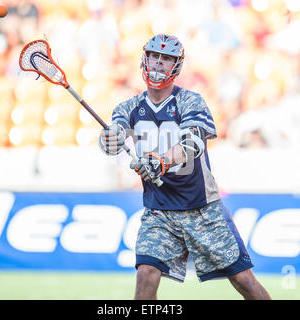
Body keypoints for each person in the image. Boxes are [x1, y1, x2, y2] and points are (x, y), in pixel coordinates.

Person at [99, 34, 271, 300]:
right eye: (154, 56)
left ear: (176, 66)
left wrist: (161, 160)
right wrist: (109, 138)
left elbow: (192, 143)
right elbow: (112, 139)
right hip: (159, 212)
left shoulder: (190, 101)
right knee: (146, 274)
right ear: (145, 59)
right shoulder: (129, 106)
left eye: (166, 59)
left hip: (202, 209)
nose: (158, 63)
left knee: (243, 279)